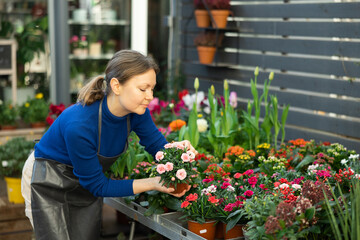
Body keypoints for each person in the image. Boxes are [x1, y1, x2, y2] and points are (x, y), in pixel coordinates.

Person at [21, 49, 197, 240]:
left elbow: (157, 147)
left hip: (84, 181)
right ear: (116, 86)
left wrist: (178, 151)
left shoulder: (137, 112)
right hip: (48, 179)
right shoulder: (80, 125)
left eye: (152, 89)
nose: (150, 96)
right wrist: (153, 183)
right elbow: (98, 186)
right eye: (143, 89)